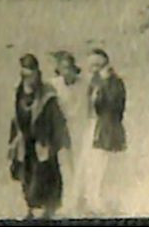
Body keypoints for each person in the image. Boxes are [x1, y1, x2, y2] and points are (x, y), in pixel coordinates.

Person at [9, 54, 68, 220]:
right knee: (25, 175)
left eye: (30, 75)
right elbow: (15, 119)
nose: (27, 79)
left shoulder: (47, 94)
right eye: (24, 75)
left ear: (37, 74)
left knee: (45, 175)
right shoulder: (18, 92)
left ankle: (48, 210)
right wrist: (13, 140)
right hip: (25, 142)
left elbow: (57, 120)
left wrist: (55, 143)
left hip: (43, 142)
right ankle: (30, 209)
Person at [81, 48, 127, 215]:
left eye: (96, 65)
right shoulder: (94, 82)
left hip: (106, 128)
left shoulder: (114, 83)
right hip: (92, 126)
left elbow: (116, 108)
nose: (93, 69)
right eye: (91, 66)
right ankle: (90, 200)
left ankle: (98, 201)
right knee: (90, 165)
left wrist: (105, 84)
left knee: (101, 165)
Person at [51, 51, 90, 214]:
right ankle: (69, 202)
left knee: (82, 165)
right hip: (62, 129)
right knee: (66, 166)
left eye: (69, 68)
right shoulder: (53, 85)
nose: (67, 72)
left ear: (75, 68)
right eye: (63, 68)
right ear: (58, 70)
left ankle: (81, 200)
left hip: (82, 128)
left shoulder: (85, 84)